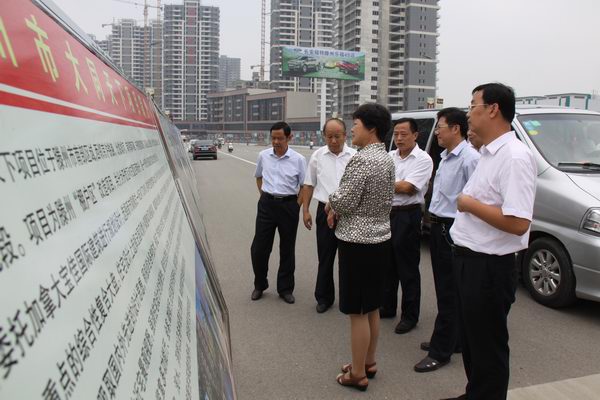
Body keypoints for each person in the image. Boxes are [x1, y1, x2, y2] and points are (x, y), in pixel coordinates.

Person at [443, 83, 536, 400]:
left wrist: (468, 204)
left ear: (493, 109)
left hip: (488, 268)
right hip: (469, 261)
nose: (469, 113)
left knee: (488, 346)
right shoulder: (488, 153)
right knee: (472, 341)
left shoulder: (514, 156)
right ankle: (476, 392)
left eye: (473, 105)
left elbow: (518, 222)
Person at [327, 103, 395, 392]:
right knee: (372, 308)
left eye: (355, 124)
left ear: (372, 128)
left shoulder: (362, 160)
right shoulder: (387, 158)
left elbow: (345, 201)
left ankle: (357, 374)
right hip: (380, 238)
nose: (352, 129)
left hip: (357, 242)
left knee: (357, 311)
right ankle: (368, 362)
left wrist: (331, 202)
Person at [414, 108, 480, 373]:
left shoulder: (469, 159)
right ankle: (454, 339)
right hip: (439, 227)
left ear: (455, 128)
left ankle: (440, 351)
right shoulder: (445, 157)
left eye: (440, 127)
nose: (437, 132)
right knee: (447, 290)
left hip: (453, 229)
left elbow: (475, 199)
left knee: (449, 292)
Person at [380, 118, 433, 334]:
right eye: (396, 134)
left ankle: (410, 315)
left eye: (404, 134)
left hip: (407, 215)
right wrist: (390, 185)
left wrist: (383, 184)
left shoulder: (423, 159)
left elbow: (408, 188)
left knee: (407, 267)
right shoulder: (389, 156)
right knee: (387, 264)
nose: (399, 138)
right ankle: (387, 306)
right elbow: (394, 185)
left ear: (415, 135)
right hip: (387, 214)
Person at [302, 118, 356, 313]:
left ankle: (349, 298)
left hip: (348, 214)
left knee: (348, 259)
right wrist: (305, 210)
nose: (333, 140)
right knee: (325, 256)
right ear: (324, 136)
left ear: (345, 135)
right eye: (329, 136)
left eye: (337, 136)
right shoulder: (318, 156)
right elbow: (309, 184)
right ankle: (324, 297)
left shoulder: (355, 156)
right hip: (324, 211)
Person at [250, 121, 307, 304]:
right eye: (273, 138)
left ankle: (285, 288)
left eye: (280, 138)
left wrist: (297, 206)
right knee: (259, 248)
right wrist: (264, 196)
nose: (275, 142)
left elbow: (304, 186)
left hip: (288, 206)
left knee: (287, 249)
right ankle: (260, 284)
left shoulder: (298, 159)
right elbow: (259, 177)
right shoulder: (263, 155)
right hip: (267, 205)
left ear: (289, 138)